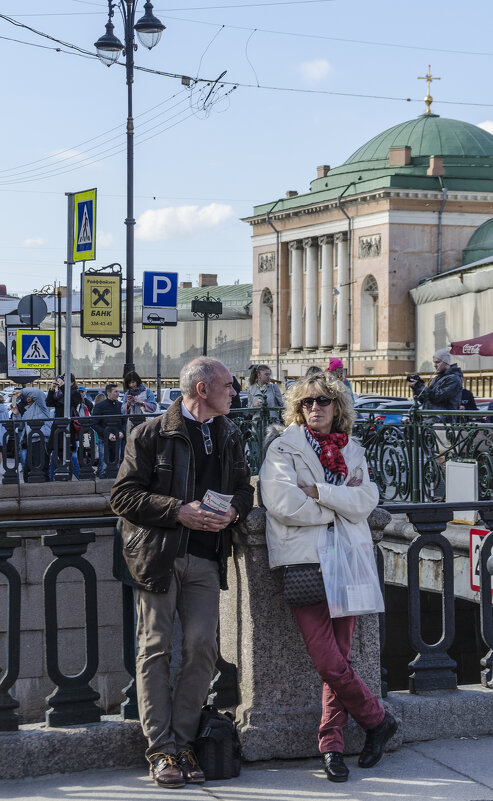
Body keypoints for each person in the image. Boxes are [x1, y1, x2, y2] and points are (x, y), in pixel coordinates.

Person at [110, 357, 254, 789]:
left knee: (202, 646)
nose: (235, 392)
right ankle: (161, 750)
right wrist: (179, 511)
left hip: (207, 558)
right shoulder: (152, 433)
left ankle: (185, 742)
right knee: (156, 648)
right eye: (229, 385)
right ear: (203, 389)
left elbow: (245, 487)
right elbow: (123, 496)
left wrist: (233, 510)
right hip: (159, 556)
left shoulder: (230, 434)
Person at [259, 371, 397, 783]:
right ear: (297, 409)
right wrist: (339, 501)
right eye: (306, 402)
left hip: (348, 557)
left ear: (337, 406)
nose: (314, 408)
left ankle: (332, 746)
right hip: (307, 561)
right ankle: (377, 720)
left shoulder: (352, 447)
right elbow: (284, 504)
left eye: (323, 401)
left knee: (342, 657)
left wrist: (318, 491)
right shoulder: (282, 447)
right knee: (328, 660)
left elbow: (367, 499)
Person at [408, 349, 462, 421]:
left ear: (446, 362)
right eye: (434, 362)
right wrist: (416, 387)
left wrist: (419, 386)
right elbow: (423, 399)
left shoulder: (453, 379)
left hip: (443, 421)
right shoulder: (437, 378)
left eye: (437, 362)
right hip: (430, 419)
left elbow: (436, 397)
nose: (435, 365)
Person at [11, 388, 52, 481]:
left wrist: (22, 392)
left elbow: (38, 393)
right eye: (27, 397)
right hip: (31, 441)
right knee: (28, 471)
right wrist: (16, 414)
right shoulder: (27, 410)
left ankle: (44, 489)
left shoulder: (42, 405)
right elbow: (20, 425)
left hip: (41, 440)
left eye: (29, 396)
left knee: (40, 468)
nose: (28, 398)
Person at [46, 373, 81, 478]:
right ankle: (50, 479)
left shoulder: (75, 393)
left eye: (65, 381)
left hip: (69, 428)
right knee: (54, 455)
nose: (62, 382)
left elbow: (70, 401)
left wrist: (62, 386)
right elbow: (49, 403)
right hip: (57, 428)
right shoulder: (59, 394)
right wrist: (52, 388)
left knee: (72, 456)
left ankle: (81, 479)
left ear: (72, 382)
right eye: (62, 380)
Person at [92, 384, 125, 478]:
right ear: (109, 393)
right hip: (104, 439)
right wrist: (107, 434)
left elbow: (124, 421)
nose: (118, 394)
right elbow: (94, 423)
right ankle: (102, 484)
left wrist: (121, 432)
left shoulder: (120, 405)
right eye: (115, 391)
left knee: (117, 465)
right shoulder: (99, 406)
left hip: (118, 438)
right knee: (104, 465)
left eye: (118, 391)